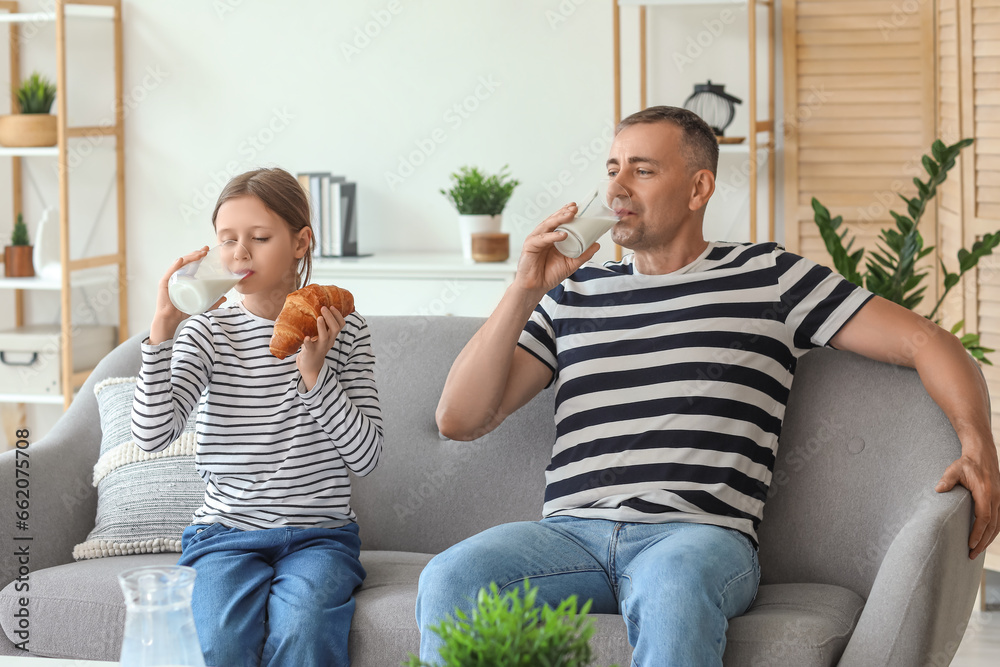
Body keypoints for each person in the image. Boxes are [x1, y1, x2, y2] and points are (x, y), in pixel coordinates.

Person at [417, 106, 1000, 666]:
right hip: (571, 536)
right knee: (450, 578)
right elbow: (459, 419)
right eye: (612, 169)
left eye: (643, 170)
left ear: (698, 189)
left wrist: (977, 444)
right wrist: (524, 287)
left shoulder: (769, 278)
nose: (617, 188)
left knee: (673, 584)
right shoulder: (574, 292)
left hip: (698, 537)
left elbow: (927, 342)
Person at [130, 167, 383, 667]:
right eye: (227, 240)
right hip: (225, 534)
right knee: (218, 643)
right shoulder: (208, 331)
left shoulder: (346, 330)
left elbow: (368, 457)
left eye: (259, 237)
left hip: (322, 535)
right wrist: (161, 335)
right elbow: (152, 435)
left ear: (300, 242)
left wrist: (314, 375)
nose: (239, 252)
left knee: (305, 634)